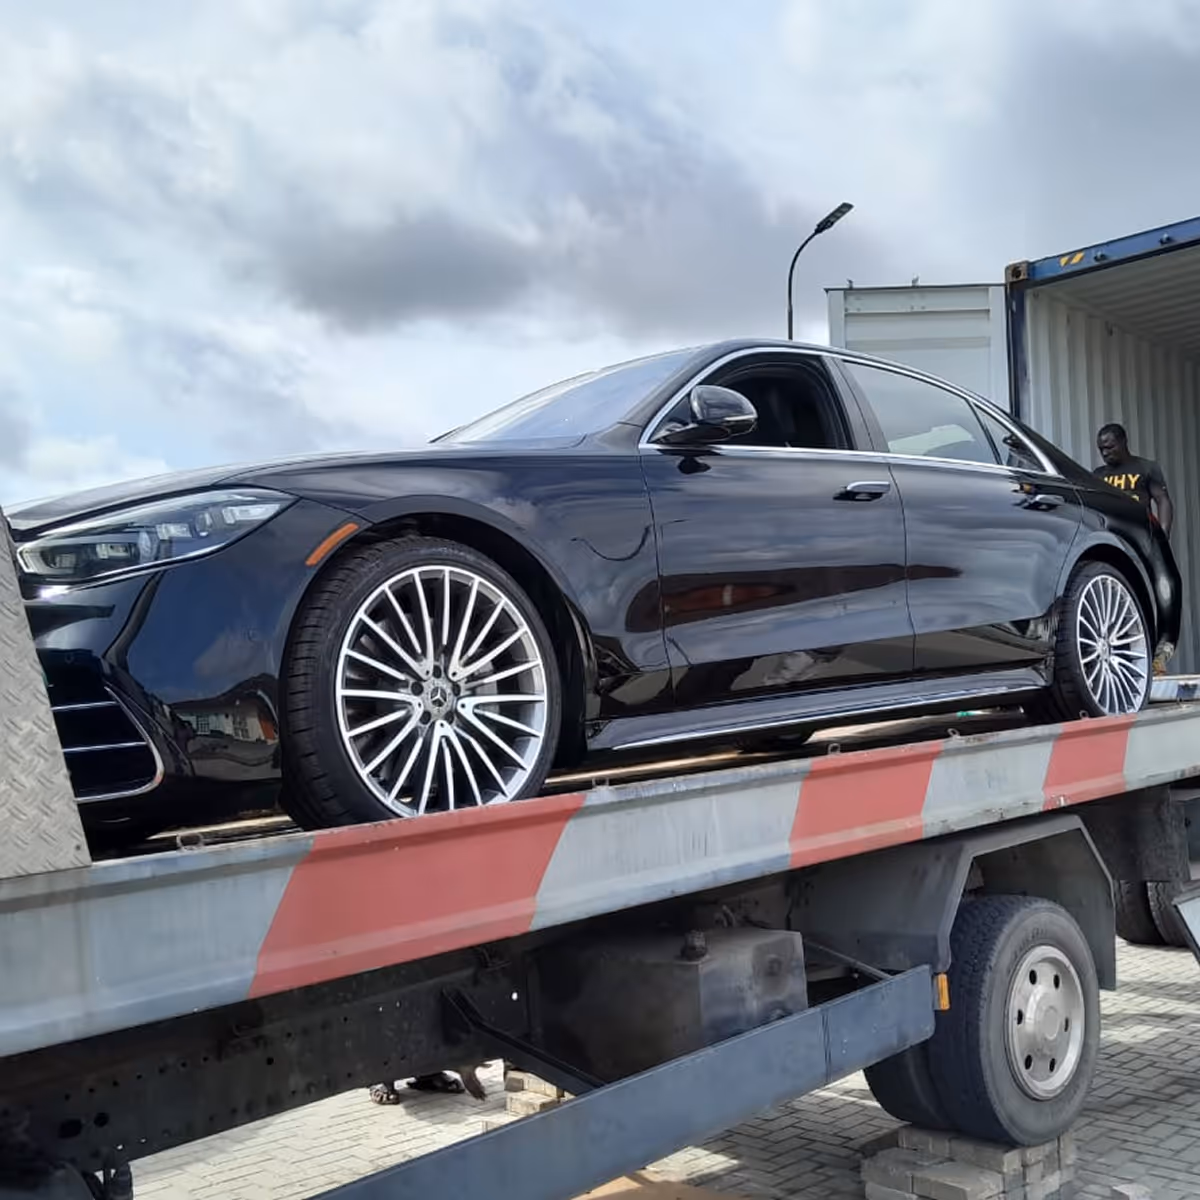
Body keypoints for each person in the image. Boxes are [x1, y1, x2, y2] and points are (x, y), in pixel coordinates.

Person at [1095, 423, 1173, 538]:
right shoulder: (1098, 474)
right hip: (1111, 537)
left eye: (1110, 447)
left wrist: (1163, 535)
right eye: (1101, 449)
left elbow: (1162, 500)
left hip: (1141, 536)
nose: (1105, 453)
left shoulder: (1146, 467)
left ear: (1123, 442)